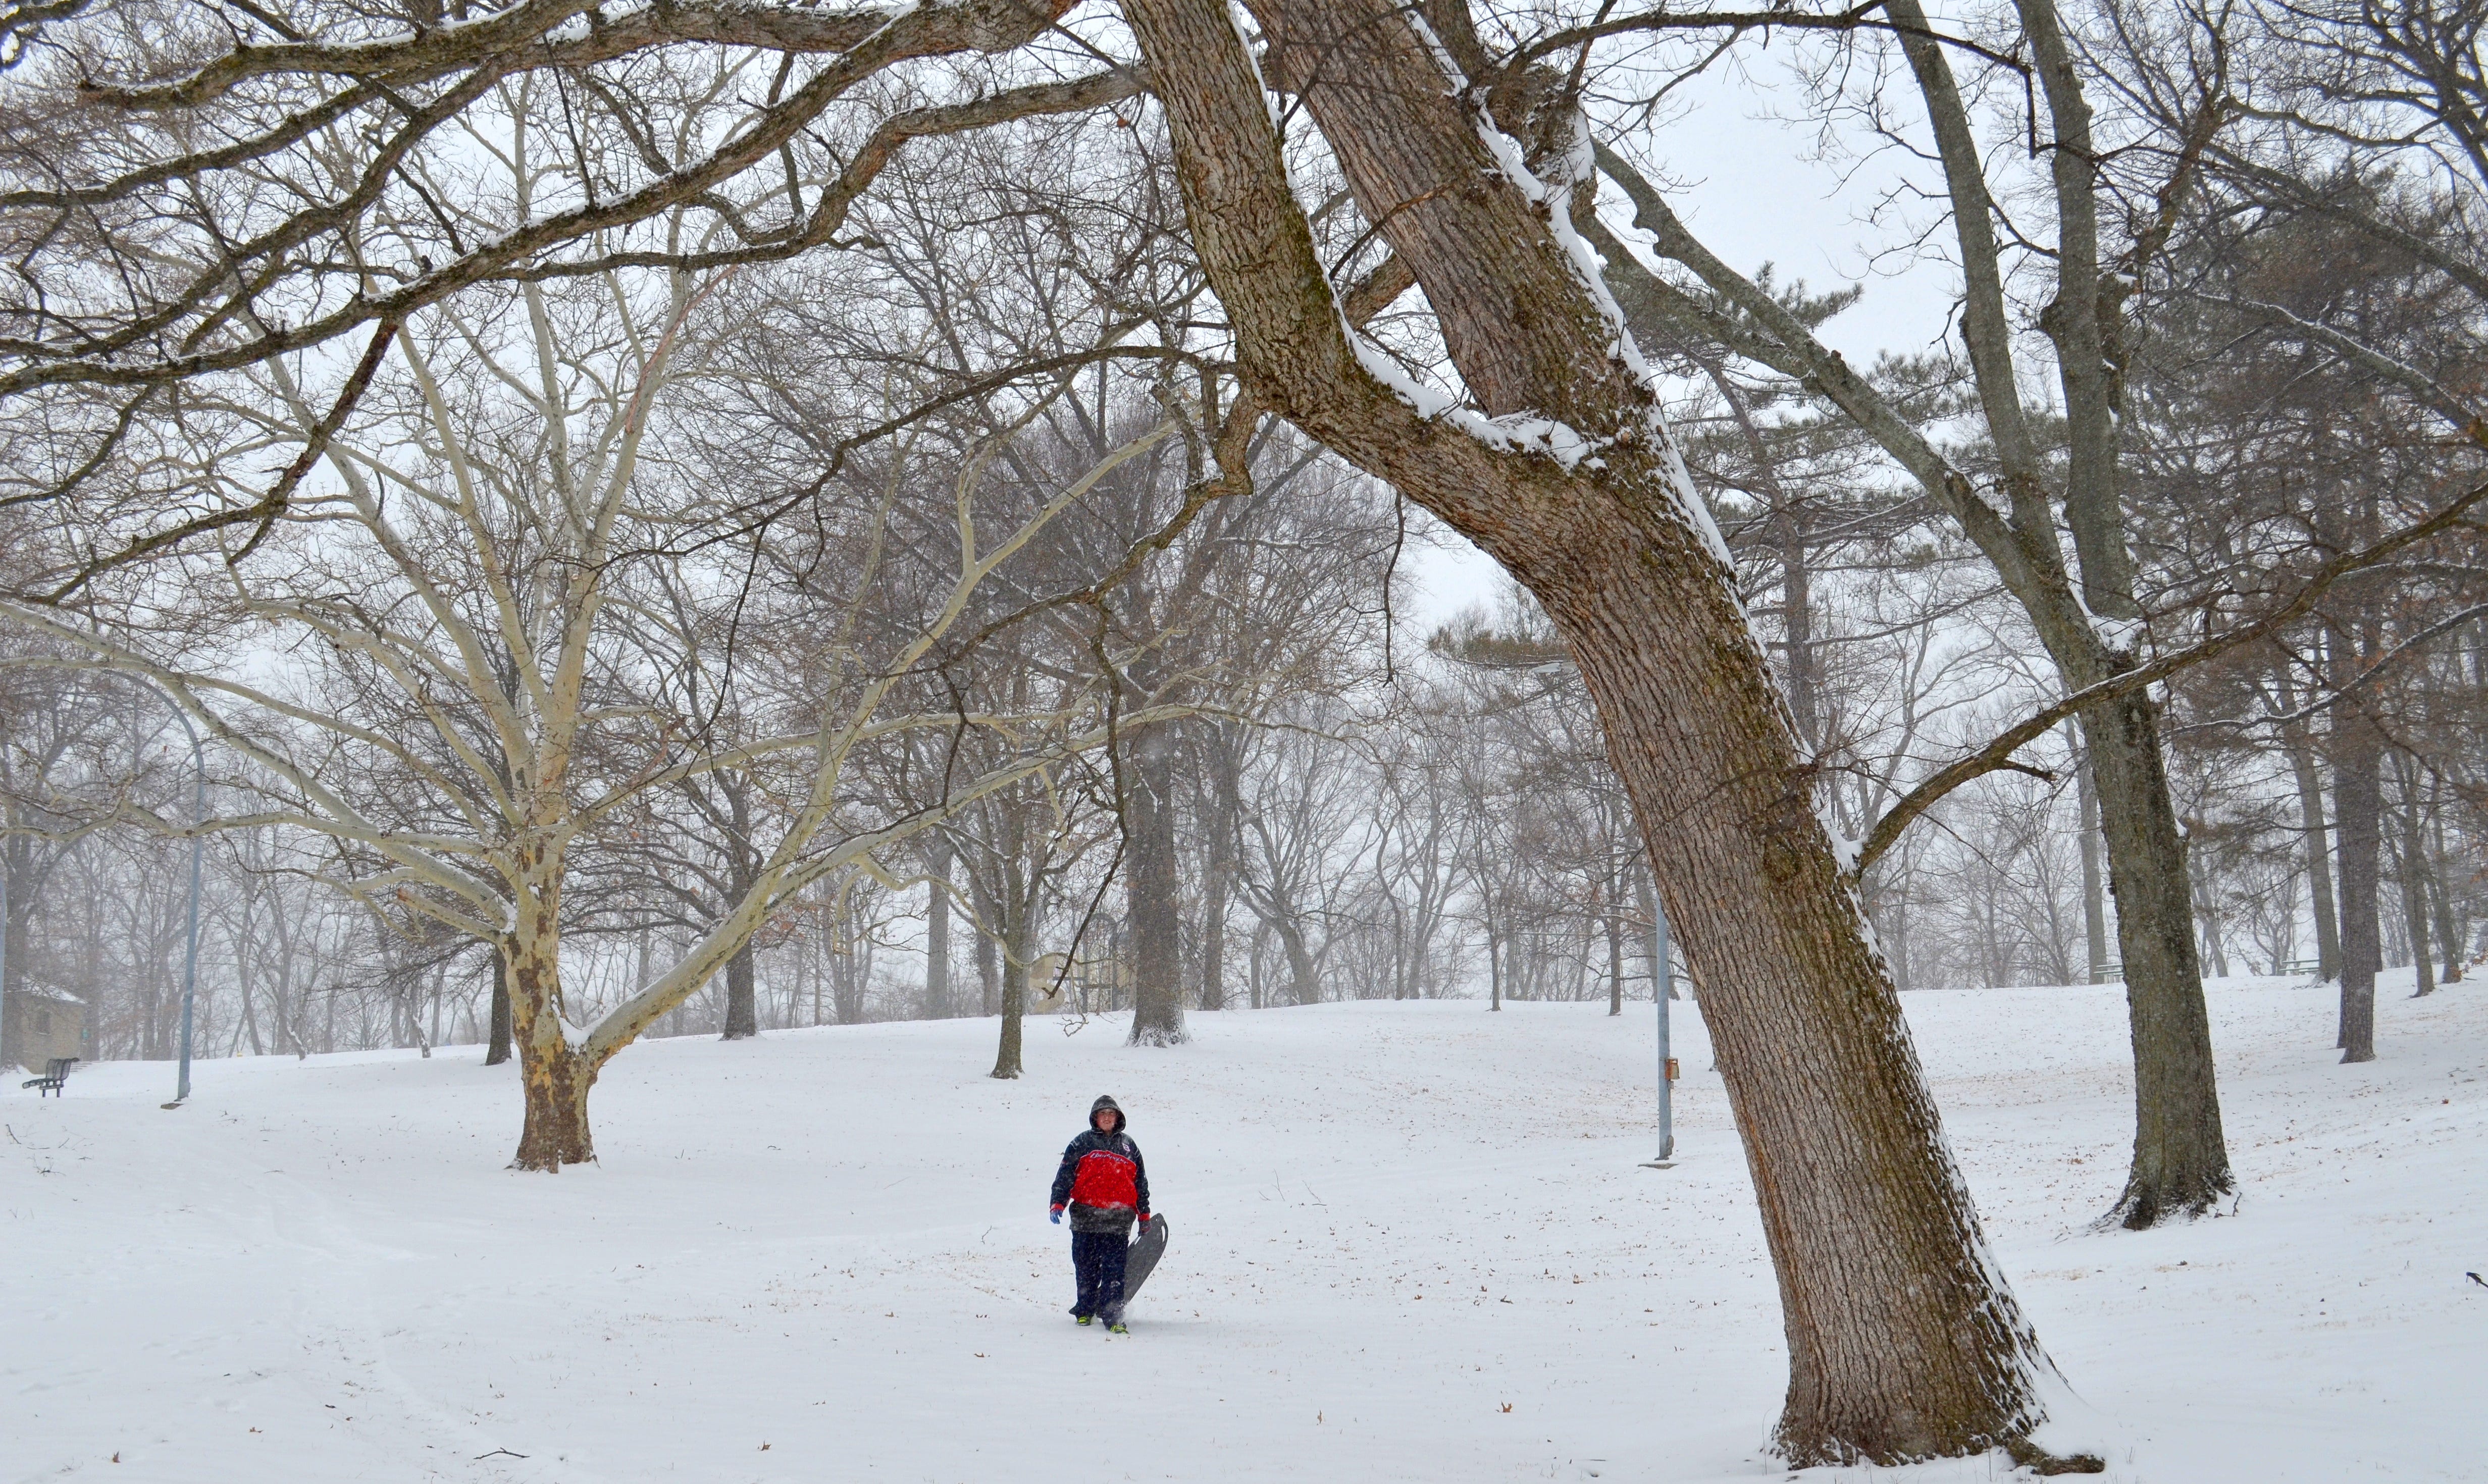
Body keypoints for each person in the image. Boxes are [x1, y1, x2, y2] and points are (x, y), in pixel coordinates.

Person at [1049, 1094, 1150, 1333]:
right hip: (1085, 1219)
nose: (1107, 1118)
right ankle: (1084, 1311)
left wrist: (1144, 1216)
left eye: (1111, 1114)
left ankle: (1113, 1317)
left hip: (1117, 1221)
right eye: (1103, 1114)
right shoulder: (1081, 1143)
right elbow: (1065, 1176)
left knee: (1115, 1272)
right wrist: (1058, 1203)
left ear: (1117, 1118)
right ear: (1095, 1118)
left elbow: (1141, 1184)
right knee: (1086, 1268)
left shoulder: (1129, 1147)